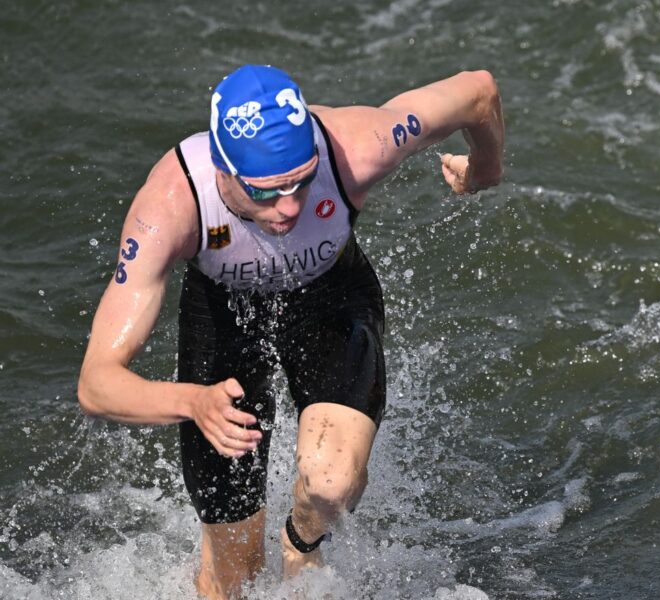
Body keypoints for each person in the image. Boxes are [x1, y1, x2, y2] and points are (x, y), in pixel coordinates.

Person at [76, 64, 504, 598]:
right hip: (223, 322)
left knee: (332, 483)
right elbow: (96, 383)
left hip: (330, 297)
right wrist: (192, 402)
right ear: (223, 170)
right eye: (269, 191)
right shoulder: (171, 206)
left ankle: (300, 545)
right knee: (231, 579)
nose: (291, 207)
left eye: (302, 181)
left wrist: (485, 166)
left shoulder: (355, 147)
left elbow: (478, 92)